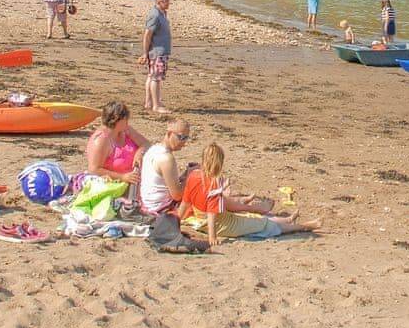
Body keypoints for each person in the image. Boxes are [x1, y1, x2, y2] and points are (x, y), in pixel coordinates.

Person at [180, 144, 320, 246]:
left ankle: (288, 220)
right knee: (264, 226)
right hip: (219, 222)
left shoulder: (194, 175)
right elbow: (211, 214)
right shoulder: (213, 184)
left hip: (203, 218)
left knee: (252, 218)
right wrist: (212, 237)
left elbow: (185, 202)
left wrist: (176, 221)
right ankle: (305, 226)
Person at [85, 101, 151, 190]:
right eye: (126, 118)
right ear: (116, 119)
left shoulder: (125, 129)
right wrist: (122, 177)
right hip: (113, 187)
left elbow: (146, 144)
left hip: (135, 182)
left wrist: (139, 153)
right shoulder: (101, 140)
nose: (127, 121)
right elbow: (94, 169)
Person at [138, 119, 196, 215]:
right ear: (169, 134)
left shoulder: (153, 149)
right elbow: (177, 195)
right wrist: (190, 176)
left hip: (148, 204)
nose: (183, 142)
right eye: (181, 137)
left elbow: (163, 182)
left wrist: (186, 174)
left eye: (186, 138)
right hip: (161, 209)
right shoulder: (166, 158)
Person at [140, 0, 172, 115]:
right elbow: (147, 35)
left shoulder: (162, 13)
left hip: (160, 51)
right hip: (157, 52)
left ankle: (148, 103)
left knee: (151, 76)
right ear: (160, 2)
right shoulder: (155, 15)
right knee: (156, 78)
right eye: (166, 1)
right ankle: (156, 105)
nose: (169, 3)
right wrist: (145, 53)